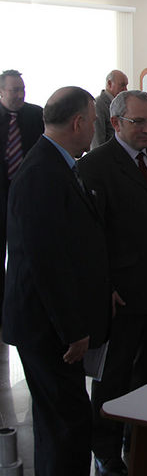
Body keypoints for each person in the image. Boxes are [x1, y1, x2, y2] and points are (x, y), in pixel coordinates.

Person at [2, 87, 111, 476]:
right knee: (66, 427)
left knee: (62, 421)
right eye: (93, 121)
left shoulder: (57, 165)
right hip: (47, 328)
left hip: (53, 323)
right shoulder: (41, 174)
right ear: (78, 123)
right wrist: (73, 330)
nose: (95, 128)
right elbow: (47, 262)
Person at [78, 90, 147, 476]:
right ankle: (105, 449)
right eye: (138, 122)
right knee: (114, 375)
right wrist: (103, 286)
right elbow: (89, 238)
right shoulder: (95, 166)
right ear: (115, 123)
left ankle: (139, 438)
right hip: (120, 294)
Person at [0, 69, 44, 321]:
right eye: (14, 90)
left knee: (28, 254)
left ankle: (28, 306)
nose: (20, 95)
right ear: (1, 92)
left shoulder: (36, 115)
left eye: (22, 89)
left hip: (29, 198)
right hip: (2, 195)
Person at [91, 69, 128, 149]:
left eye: (126, 85)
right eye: (122, 85)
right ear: (109, 84)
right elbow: (97, 141)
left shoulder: (120, 104)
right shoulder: (99, 105)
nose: (125, 89)